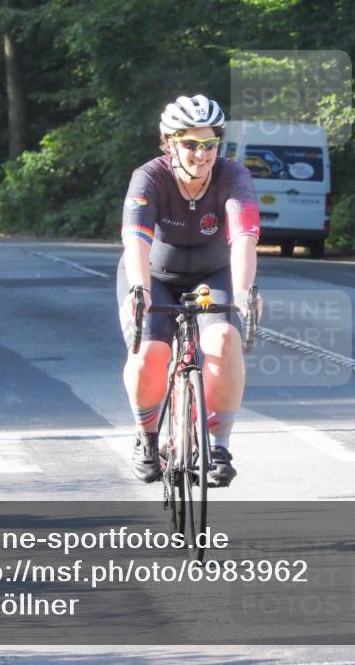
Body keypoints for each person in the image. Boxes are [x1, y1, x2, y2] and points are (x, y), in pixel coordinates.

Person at [117, 94, 261, 487]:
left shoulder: (233, 177)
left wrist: (246, 291)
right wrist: (140, 292)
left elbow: (244, 239)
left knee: (225, 339)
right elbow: (136, 243)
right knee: (150, 352)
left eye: (209, 144)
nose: (201, 154)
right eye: (190, 144)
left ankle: (219, 445)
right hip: (154, 275)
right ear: (169, 143)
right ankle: (148, 439)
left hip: (212, 274)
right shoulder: (149, 177)